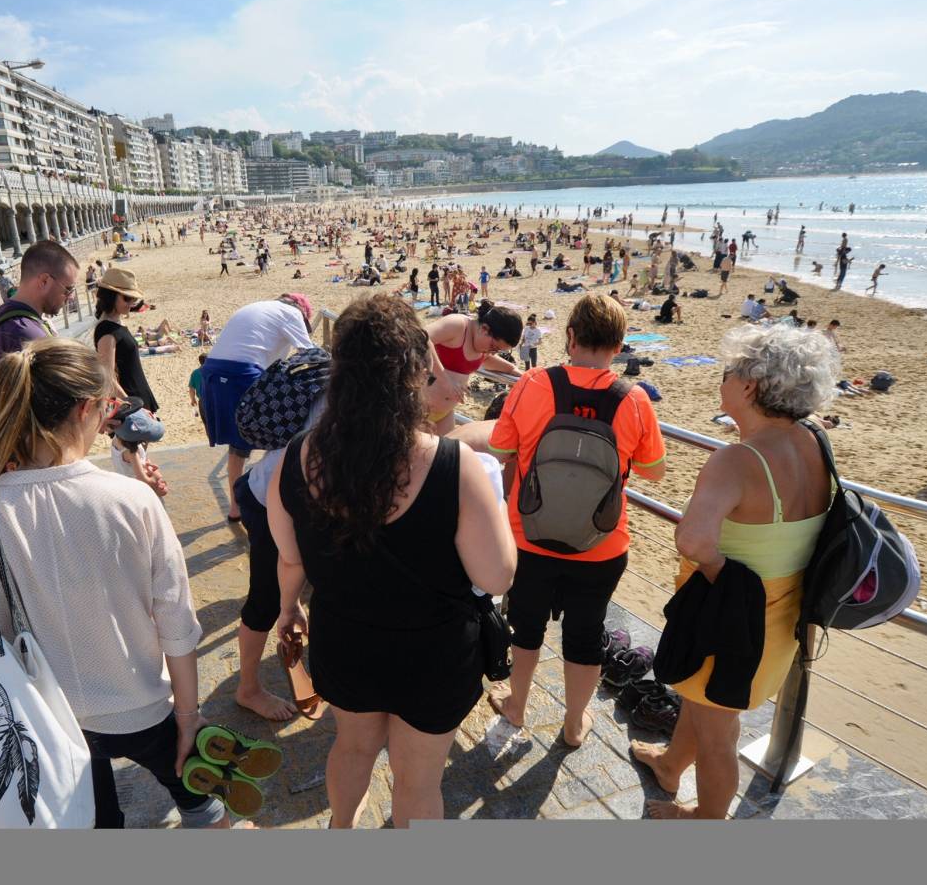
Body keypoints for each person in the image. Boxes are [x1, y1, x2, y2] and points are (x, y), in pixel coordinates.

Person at [0, 338, 230, 829]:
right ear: (89, 408)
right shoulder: (130, 500)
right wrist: (188, 716)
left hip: (39, 723)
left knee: (91, 822)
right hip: (139, 705)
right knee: (202, 800)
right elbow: (176, 621)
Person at [267, 294, 516, 827]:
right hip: (435, 654)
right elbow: (496, 575)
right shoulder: (456, 466)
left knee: (352, 748)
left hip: (346, 640)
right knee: (419, 780)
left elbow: (290, 559)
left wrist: (289, 611)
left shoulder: (298, 457)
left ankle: (341, 829)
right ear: (416, 372)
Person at [630, 324, 840, 819]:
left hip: (733, 613)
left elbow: (693, 540)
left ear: (748, 386)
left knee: (718, 730)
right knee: (705, 702)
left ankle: (705, 820)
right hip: (785, 609)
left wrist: (723, 569)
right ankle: (669, 764)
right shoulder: (813, 439)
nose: (721, 381)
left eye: (727, 373)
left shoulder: (737, 460)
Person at [487, 294, 667, 748]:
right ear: (620, 343)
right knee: (585, 636)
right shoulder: (635, 399)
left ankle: (517, 707)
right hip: (601, 544)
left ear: (570, 337)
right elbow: (654, 469)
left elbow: (502, 450)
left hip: (528, 536)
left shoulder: (531, 384)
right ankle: (573, 724)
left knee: (525, 628)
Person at [202, 295, 315, 523]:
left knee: (238, 445)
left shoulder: (259, 307)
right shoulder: (291, 314)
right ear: (302, 314)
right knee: (283, 435)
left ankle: (236, 508)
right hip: (241, 373)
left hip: (211, 372)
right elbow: (310, 354)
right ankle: (277, 504)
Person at [423, 300, 521, 435]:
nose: (491, 352)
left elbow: (486, 359)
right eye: (493, 347)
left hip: (444, 414)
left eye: (497, 351)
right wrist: (445, 380)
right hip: (418, 409)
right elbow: (422, 337)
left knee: (443, 454)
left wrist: (513, 371)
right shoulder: (458, 325)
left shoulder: (482, 348)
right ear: (484, 329)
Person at [93, 268, 159, 414]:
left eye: (133, 299)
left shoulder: (117, 322)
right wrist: (134, 408)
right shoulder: (106, 330)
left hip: (136, 397)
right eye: (127, 298)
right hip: (128, 402)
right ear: (111, 296)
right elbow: (108, 378)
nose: (131, 303)